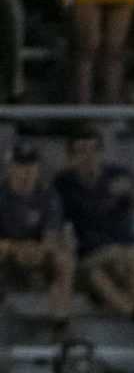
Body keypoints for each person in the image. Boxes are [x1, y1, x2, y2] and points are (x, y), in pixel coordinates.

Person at [55, 127, 134, 343]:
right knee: (129, 258)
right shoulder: (63, 184)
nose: (88, 157)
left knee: (105, 275)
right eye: (81, 151)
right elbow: (57, 223)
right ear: (71, 156)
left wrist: (130, 192)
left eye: (93, 150)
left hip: (124, 250)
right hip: (93, 252)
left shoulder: (119, 174)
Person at [0, 141, 74, 329]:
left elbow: (52, 235)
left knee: (63, 259)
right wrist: (15, 248)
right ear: (10, 168)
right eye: (20, 166)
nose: (26, 172)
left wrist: (38, 250)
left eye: (31, 166)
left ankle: (60, 323)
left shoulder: (49, 196)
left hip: (38, 253)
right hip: (8, 254)